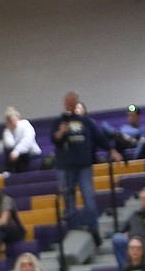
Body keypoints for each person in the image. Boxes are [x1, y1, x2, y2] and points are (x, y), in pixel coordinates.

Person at [50, 91, 120, 240]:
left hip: (83, 166)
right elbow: (54, 139)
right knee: (68, 199)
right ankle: (71, 229)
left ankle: (93, 228)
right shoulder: (58, 121)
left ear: (76, 103)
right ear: (64, 103)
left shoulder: (86, 122)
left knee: (89, 196)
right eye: (67, 101)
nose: (70, 104)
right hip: (65, 166)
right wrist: (61, 132)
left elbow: (99, 138)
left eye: (72, 101)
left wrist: (112, 150)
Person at [1, 106, 41, 174]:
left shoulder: (25, 124)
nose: (12, 123)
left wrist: (16, 151)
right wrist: (8, 131)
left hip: (30, 152)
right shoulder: (8, 131)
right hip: (18, 154)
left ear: (18, 118)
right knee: (7, 150)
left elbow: (27, 141)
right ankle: (11, 173)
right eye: (10, 121)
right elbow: (9, 144)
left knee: (19, 156)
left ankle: (16, 173)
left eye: (13, 120)